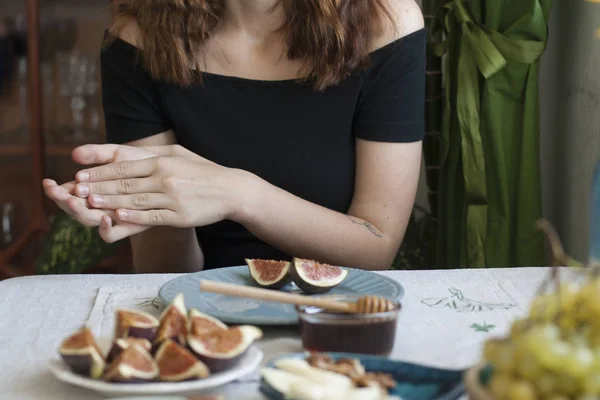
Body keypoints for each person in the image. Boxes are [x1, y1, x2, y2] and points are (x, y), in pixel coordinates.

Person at [43, 0, 426, 273]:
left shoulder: (385, 20)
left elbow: (376, 246)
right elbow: (164, 269)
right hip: (202, 310)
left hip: (337, 312)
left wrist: (238, 194)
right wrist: (154, 207)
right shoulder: (138, 38)